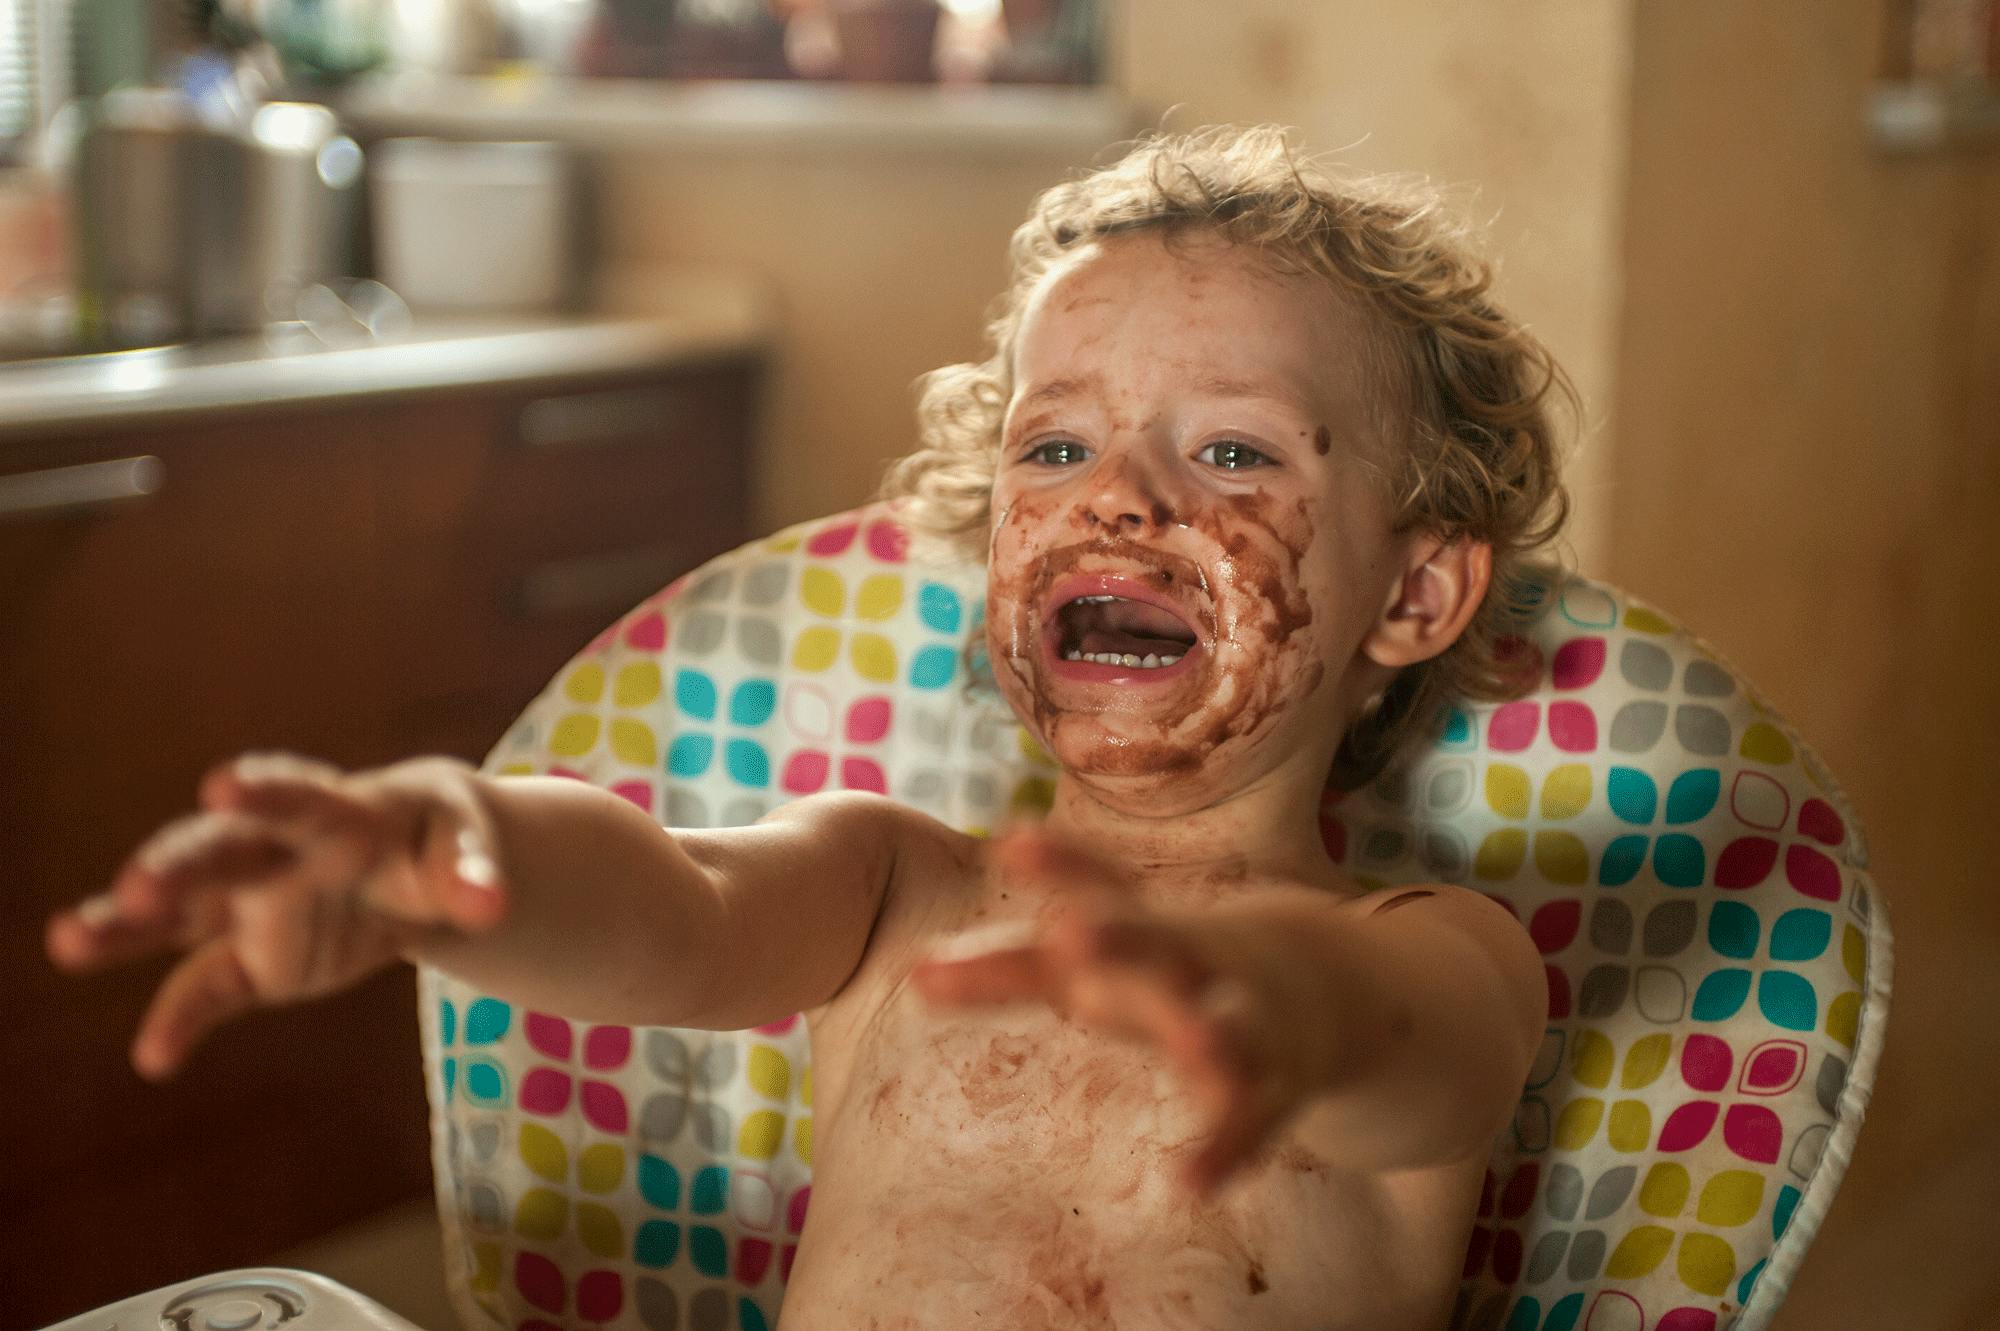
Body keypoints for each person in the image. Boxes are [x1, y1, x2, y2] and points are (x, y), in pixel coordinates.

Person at [48, 125, 1573, 1329]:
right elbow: (677, 902)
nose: (1117, 495)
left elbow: (1414, 1052)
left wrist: (1272, 1004)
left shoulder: (1425, 951)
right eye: (1056, 444)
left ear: (1421, 590)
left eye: (1232, 449)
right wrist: (452, 851)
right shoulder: (903, 891)